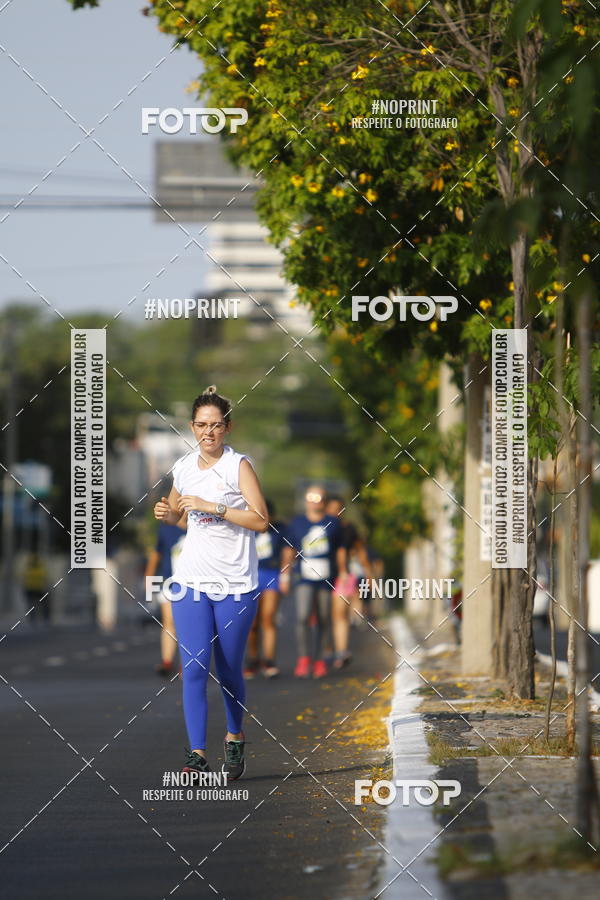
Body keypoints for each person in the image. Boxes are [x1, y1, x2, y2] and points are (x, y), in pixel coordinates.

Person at [153, 385, 269, 779]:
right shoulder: (183, 467)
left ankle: (234, 737)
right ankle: (197, 754)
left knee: (230, 668)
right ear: (191, 427)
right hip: (191, 581)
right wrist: (165, 511)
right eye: (201, 425)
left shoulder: (239, 467)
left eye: (215, 426)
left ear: (227, 428)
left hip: (236, 582)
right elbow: (176, 516)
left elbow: (260, 519)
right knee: (195, 666)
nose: (208, 432)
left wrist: (214, 506)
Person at [280, 486, 346, 679]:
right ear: (305, 500)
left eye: (318, 497)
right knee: (302, 615)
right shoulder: (297, 523)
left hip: (326, 577)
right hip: (304, 576)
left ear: (324, 501)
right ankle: (304, 658)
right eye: (311, 496)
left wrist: (342, 571)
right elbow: (289, 549)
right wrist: (285, 575)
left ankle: (319, 660)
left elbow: (340, 549)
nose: (314, 500)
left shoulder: (332, 523)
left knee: (324, 617)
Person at [325, 495, 373, 668]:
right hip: (320, 577)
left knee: (339, 615)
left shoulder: (348, 529)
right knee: (323, 616)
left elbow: (360, 551)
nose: (335, 512)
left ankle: (341, 651)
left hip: (342, 577)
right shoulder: (319, 527)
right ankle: (326, 648)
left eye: (339, 508)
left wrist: (369, 576)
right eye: (331, 508)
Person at [244, 500, 285, 679]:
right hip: (250, 575)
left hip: (271, 574)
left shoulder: (280, 529)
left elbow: (288, 551)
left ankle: (269, 660)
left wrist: (286, 575)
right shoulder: (246, 526)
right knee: (252, 622)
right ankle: (253, 659)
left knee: (268, 618)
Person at [145, 518, 187, 676]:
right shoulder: (166, 527)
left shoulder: (201, 525)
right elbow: (158, 552)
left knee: (188, 624)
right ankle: (167, 662)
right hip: (170, 581)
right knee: (169, 621)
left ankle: (187, 663)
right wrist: (149, 575)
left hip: (194, 583)